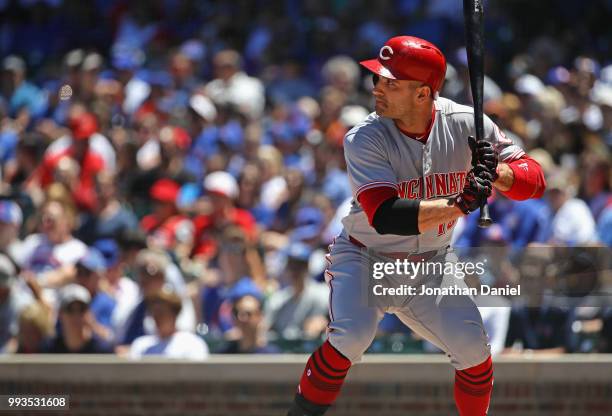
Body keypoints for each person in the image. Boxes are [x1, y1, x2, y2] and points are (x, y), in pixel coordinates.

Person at [287, 36, 546, 416]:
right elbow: (386, 214)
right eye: (378, 79)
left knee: (474, 351)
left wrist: (500, 172)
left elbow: (535, 180)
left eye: (391, 82)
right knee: (351, 336)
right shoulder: (365, 136)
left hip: (432, 264)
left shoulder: (463, 122)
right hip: (366, 258)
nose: (377, 87)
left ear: (424, 94)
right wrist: (459, 204)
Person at [129, 284, 209, 360]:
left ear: (174, 314)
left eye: (162, 313)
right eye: (154, 313)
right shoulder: (140, 345)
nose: (157, 317)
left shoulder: (192, 344)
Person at [45, 284, 113, 354]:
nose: (76, 316)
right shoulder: (48, 349)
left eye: (81, 309)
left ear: (89, 313)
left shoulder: (102, 351)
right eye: (70, 309)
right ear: (60, 314)